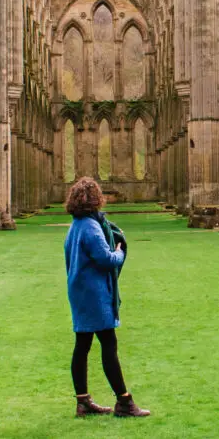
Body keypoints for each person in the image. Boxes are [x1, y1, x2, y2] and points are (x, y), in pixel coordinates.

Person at [63, 176, 151, 418]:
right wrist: (119, 252)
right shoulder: (91, 227)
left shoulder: (75, 225)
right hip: (94, 294)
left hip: (79, 292)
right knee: (109, 345)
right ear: (96, 199)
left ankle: (83, 401)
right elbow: (105, 259)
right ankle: (124, 402)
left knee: (82, 346)